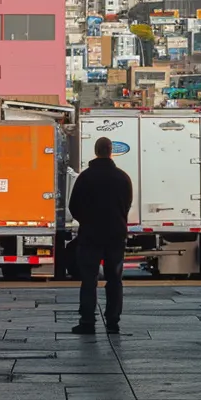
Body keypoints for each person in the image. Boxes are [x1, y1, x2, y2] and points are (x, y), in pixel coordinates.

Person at [68, 136, 132, 334]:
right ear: (111, 151)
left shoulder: (85, 177)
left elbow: (74, 206)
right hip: (115, 235)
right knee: (115, 279)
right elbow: (126, 205)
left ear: (96, 152)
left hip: (91, 235)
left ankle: (87, 321)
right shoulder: (123, 177)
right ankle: (113, 321)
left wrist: (86, 221)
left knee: (89, 279)